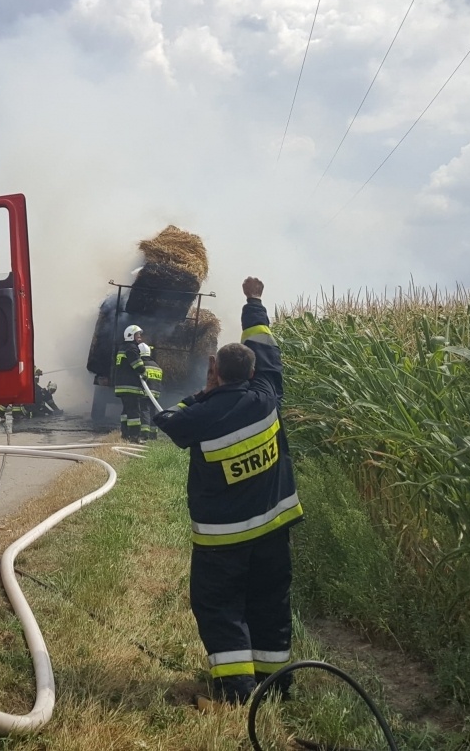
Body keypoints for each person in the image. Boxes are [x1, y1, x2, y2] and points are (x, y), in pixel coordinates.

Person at [153, 277, 301, 706]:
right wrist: (254, 301)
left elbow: (169, 421)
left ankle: (237, 694)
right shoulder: (266, 394)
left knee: (221, 610)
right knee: (270, 606)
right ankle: (277, 687)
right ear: (253, 371)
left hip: (224, 542)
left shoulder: (201, 416)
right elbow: (266, 346)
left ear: (216, 371)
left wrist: (202, 392)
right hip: (274, 531)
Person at [111, 324, 148, 440]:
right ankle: (134, 436)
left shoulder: (122, 347)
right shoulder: (132, 348)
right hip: (130, 386)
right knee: (134, 412)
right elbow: (138, 366)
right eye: (138, 335)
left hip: (121, 386)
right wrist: (144, 372)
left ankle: (125, 434)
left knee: (126, 411)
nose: (140, 338)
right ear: (131, 336)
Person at [136, 341, 164, 440]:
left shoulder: (141, 366)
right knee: (154, 413)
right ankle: (154, 434)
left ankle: (144, 434)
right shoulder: (157, 366)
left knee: (144, 411)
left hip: (145, 393)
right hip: (156, 393)